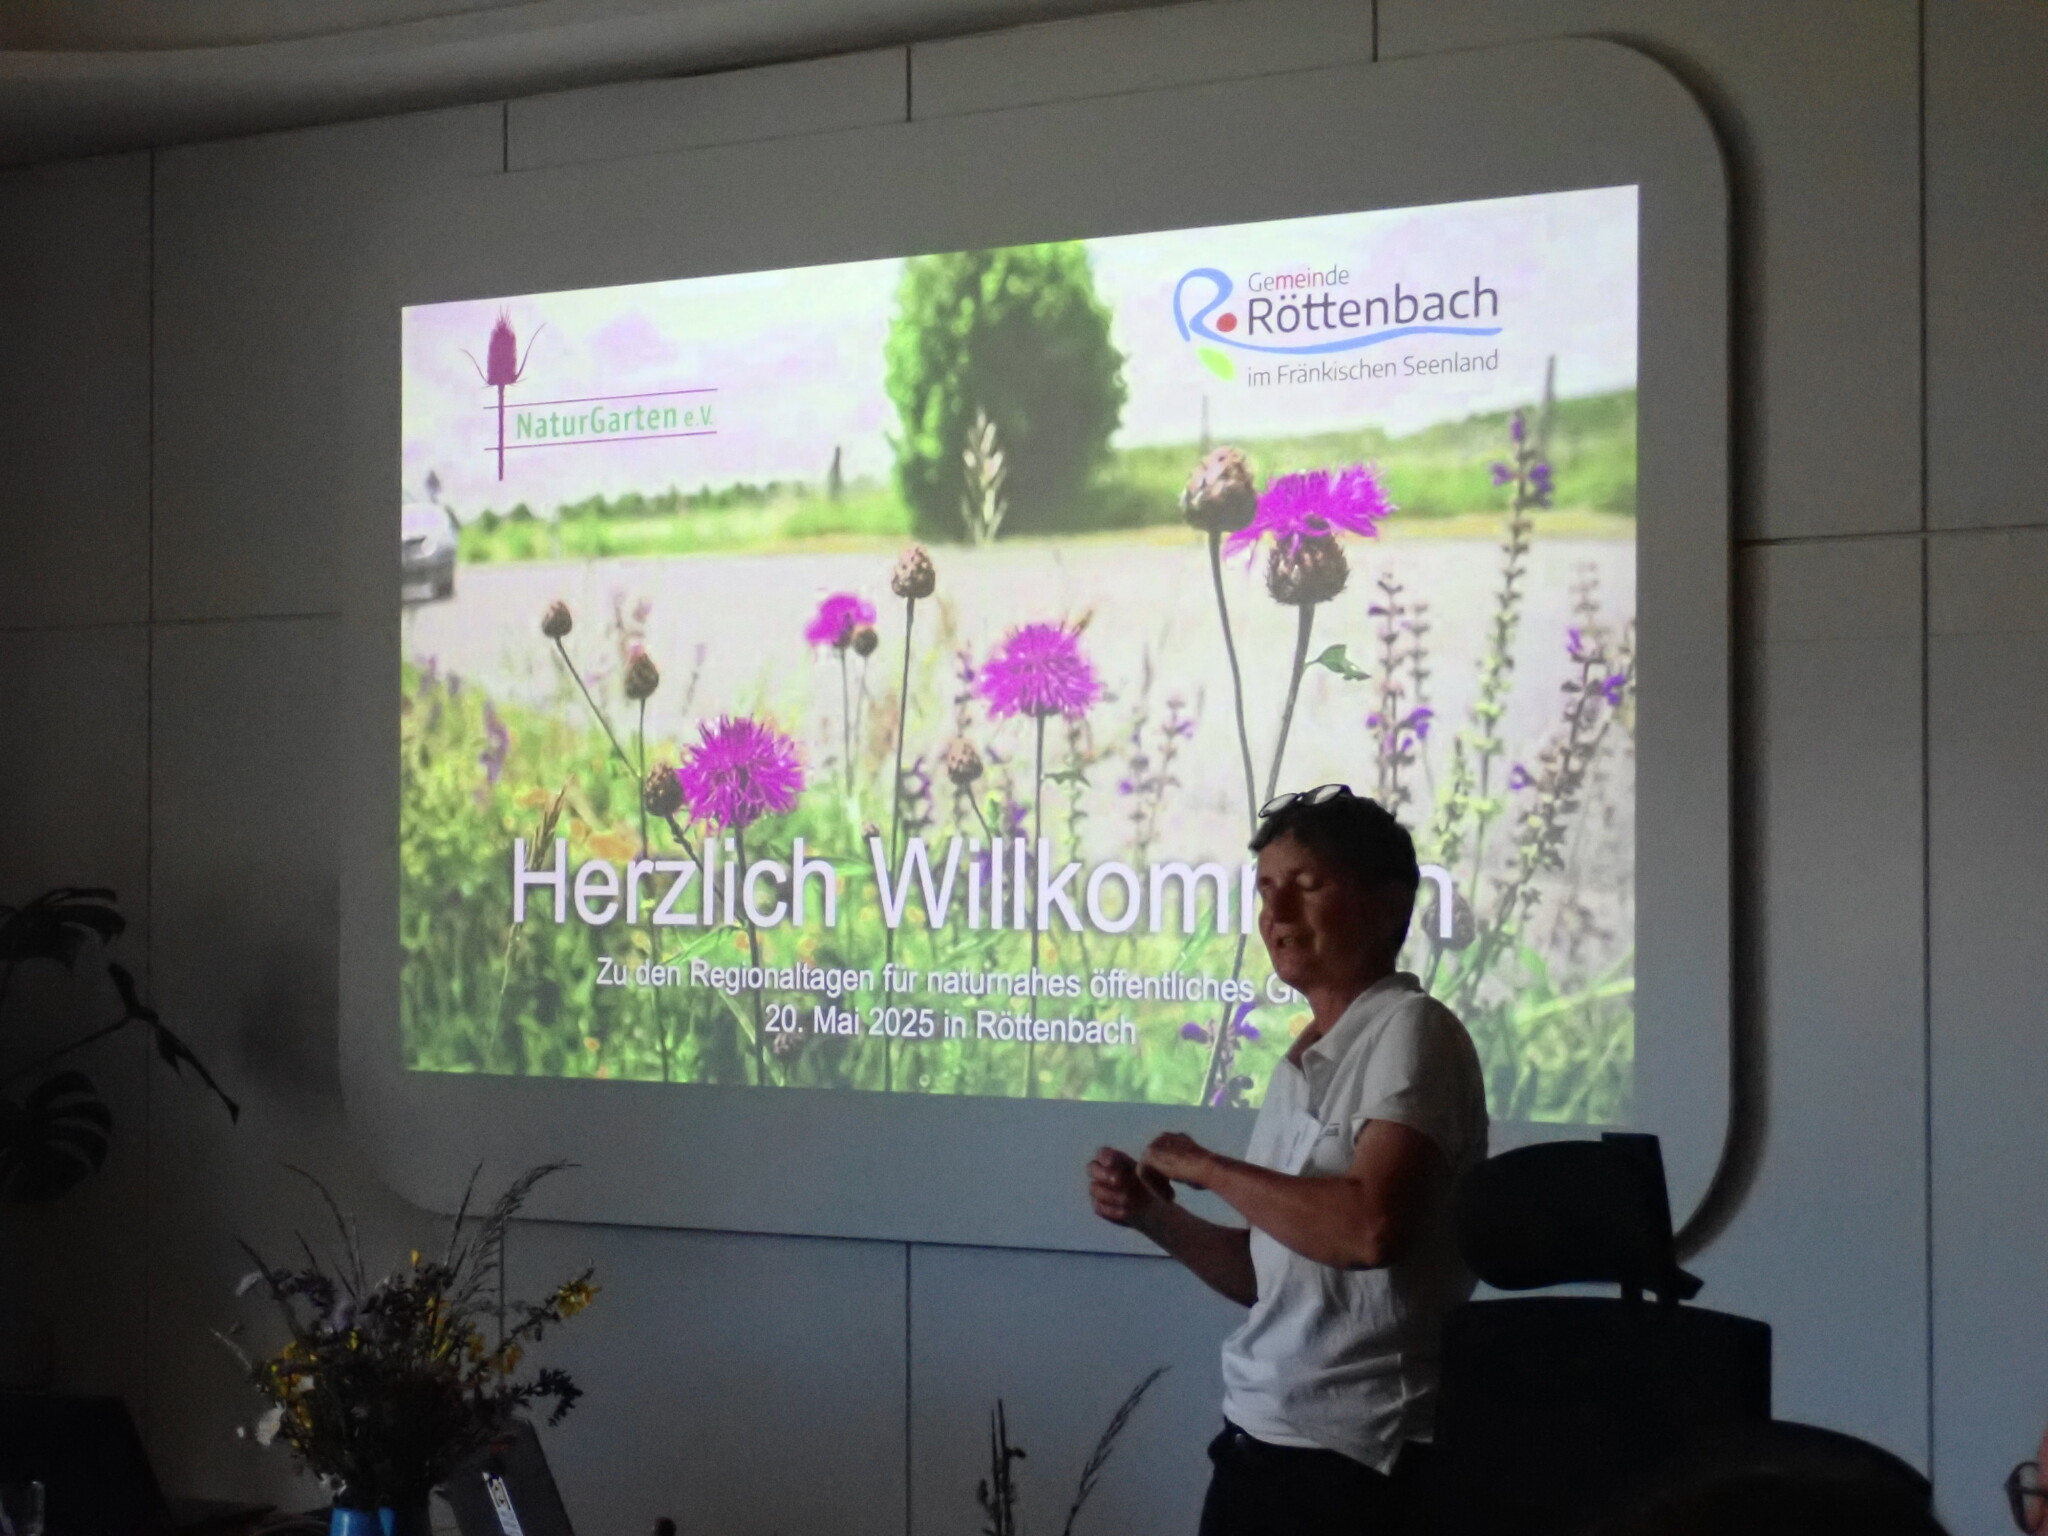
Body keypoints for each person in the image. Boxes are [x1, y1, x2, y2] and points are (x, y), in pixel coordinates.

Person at [1088, 785, 1488, 1536]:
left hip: (1359, 1461)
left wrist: (1210, 1168)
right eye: (1266, 888)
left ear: (1390, 906)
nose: (1276, 912)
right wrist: (1154, 1218)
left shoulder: (1413, 1030)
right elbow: (1269, 1275)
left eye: (1307, 885)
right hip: (1259, 1440)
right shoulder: (1302, 1059)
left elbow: (1369, 1229)